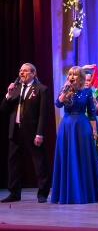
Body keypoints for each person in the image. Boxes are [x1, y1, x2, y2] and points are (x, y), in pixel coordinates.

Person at [51, 66, 98, 204]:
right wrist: (65, 91)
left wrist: (94, 131)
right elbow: (58, 104)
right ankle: (69, 193)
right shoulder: (65, 89)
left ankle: (86, 193)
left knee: (84, 157)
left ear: (80, 77)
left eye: (75, 75)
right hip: (67, 126)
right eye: (70, 74)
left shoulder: (87, 92)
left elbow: (91, 113)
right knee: (68, 157)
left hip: (82, 125)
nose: (71, 77)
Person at [0, 63, 52, 203]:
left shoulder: (41, 89)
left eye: (25, 71)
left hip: (33, 131)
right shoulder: (15, 89)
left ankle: (42, 193)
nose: (21, 73)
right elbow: (3, 109)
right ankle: (14, 193)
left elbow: (43, 114)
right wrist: (9, 94)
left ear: (33, 73)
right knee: (13, 162)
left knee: (39, 162)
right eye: (20, 71)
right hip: (15, 130)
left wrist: (39, 133)